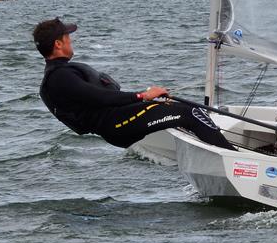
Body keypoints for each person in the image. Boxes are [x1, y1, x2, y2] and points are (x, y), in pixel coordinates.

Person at [32, 18, 235, 150]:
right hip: (115, 124)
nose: (71, 40)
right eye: (67, 37)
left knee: (188, 110)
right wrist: (142, 96)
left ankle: (217, 147)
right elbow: (99, 97)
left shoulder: (60, 73)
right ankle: (232, 156)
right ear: (58, 44)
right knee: (189, 113)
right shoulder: (59, 78)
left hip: (119, 119)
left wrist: (144, 98)